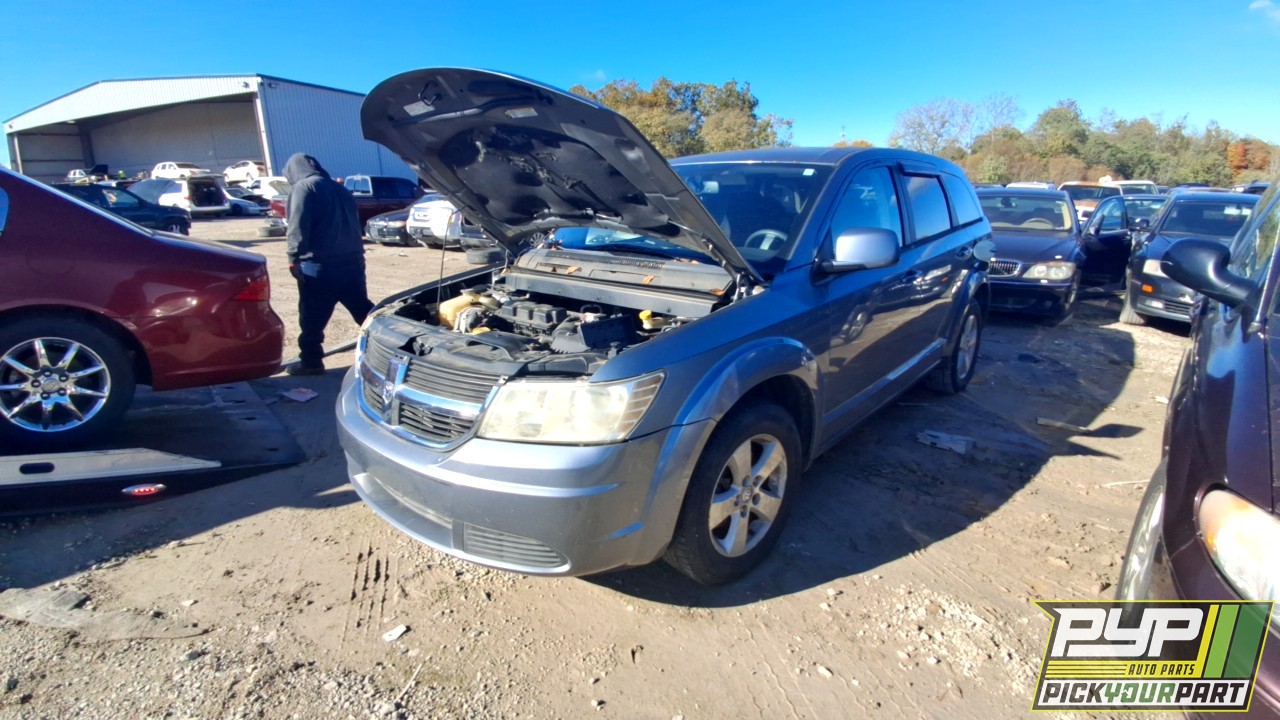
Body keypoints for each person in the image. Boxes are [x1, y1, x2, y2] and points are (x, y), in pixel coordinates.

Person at [283, 153, 373, 375]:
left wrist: (293, 257)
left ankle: (311, 361)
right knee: (363, 311)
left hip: (320, 265)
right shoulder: (339, 188)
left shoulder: (304, 188)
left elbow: (297, 225)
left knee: (312, 316)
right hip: (352, 261)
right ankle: (388, 350)